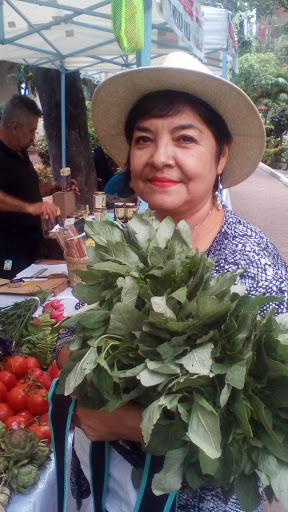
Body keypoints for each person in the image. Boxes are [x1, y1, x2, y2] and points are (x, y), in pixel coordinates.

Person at [50, 52, 288, 512]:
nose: (160, 157)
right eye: (144, 139)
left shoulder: (247, 262)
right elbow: (77, 327)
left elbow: (267, 427)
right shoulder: (128, 238)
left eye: (184, 138)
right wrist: (74, 359)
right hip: (110, 485)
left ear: (220, 155)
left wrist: (129, 423)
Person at [0, 94, 78, 279]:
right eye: (32, 131)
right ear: (15, 127)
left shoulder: (19, 151)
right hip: (7, 249)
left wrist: (56, 187)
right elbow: (26, 202)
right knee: (11, 296)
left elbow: (28, 189)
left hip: (31, 244)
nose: (34, 140)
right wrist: (29, 207)